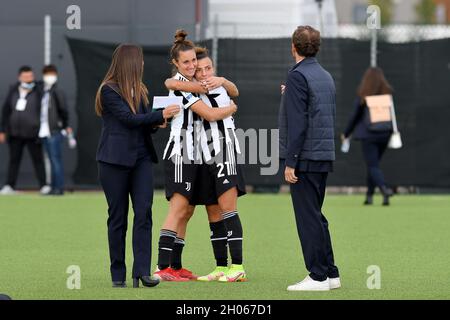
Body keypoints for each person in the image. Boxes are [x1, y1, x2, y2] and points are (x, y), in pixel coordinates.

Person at [153, 30, 237, 282]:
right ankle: (161, 267)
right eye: (186, 62)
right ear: (176, 64)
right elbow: (210, 113)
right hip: (182, 153)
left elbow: (231, 88)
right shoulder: (184, 86)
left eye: (193, 61)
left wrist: (221, 81)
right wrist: (231, 107)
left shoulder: (189, 83)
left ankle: (175, 266)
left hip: (197, 155)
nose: (191, 66)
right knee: (178, 209)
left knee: (187, 211)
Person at [95, 43, 179, 288]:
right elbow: (129, 120)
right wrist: (160, 115)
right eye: (140, 60)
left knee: (144, 213)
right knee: (118, 217)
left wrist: (155, 123)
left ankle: (141, 271)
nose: (142, 64)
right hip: (114, 162)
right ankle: (118, 274)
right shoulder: (108, 90)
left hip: (141, 160)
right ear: (130, 62)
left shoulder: (140, 89)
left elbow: (142, 123)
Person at [280, 26, 340, 291]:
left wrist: (291, 160)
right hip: (322, 154)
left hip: (305, 156)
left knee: (308, 218)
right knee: (316, 215)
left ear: (294, 46)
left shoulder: (297, 76)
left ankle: (317, 277)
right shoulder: (324, 75)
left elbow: (299, 121)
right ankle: (330, 273)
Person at [342, 67, 394, 206]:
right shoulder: (387, 95)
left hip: (369, 135)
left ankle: (384, 188)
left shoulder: (364, 96)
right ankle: (369, 196)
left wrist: (346, 133)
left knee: (372, 165)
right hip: (385, 134)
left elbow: (354, 117)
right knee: (374, 165)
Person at [0, 66, 50, 195]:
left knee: (38, 160)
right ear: (20, 77)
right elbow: (5, 111)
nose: (28, 79)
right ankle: (9, 186)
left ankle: (44, 186)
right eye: (26, 76)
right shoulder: (13, 90)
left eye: (31, 76)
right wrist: (2, 130)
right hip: (15, 133)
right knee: (14, 160)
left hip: (33, 133)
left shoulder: (39, 90)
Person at [39, 64, 73, 195]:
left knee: (55, 160)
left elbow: (64, 111)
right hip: (44, 131)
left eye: (52, 73)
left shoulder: (58, 91)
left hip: (55, 131)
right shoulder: (44, 92)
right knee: (51, 160)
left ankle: (59, 188)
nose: (49, 76)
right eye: (47, 74)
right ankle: (53, 187)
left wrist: (63, 126)